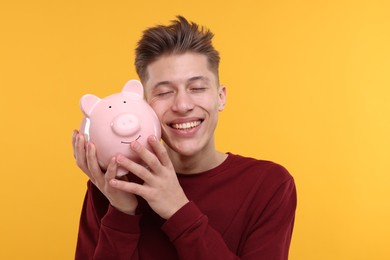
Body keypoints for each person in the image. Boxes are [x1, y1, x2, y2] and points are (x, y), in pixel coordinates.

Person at [72, 16, 297, 260]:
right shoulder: (115, 183)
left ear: (220, 97)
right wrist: (122, 212)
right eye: (164, 92)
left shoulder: (269, 184)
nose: (182, 105)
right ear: (145, 105)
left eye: (197, 88)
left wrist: (179, 210)